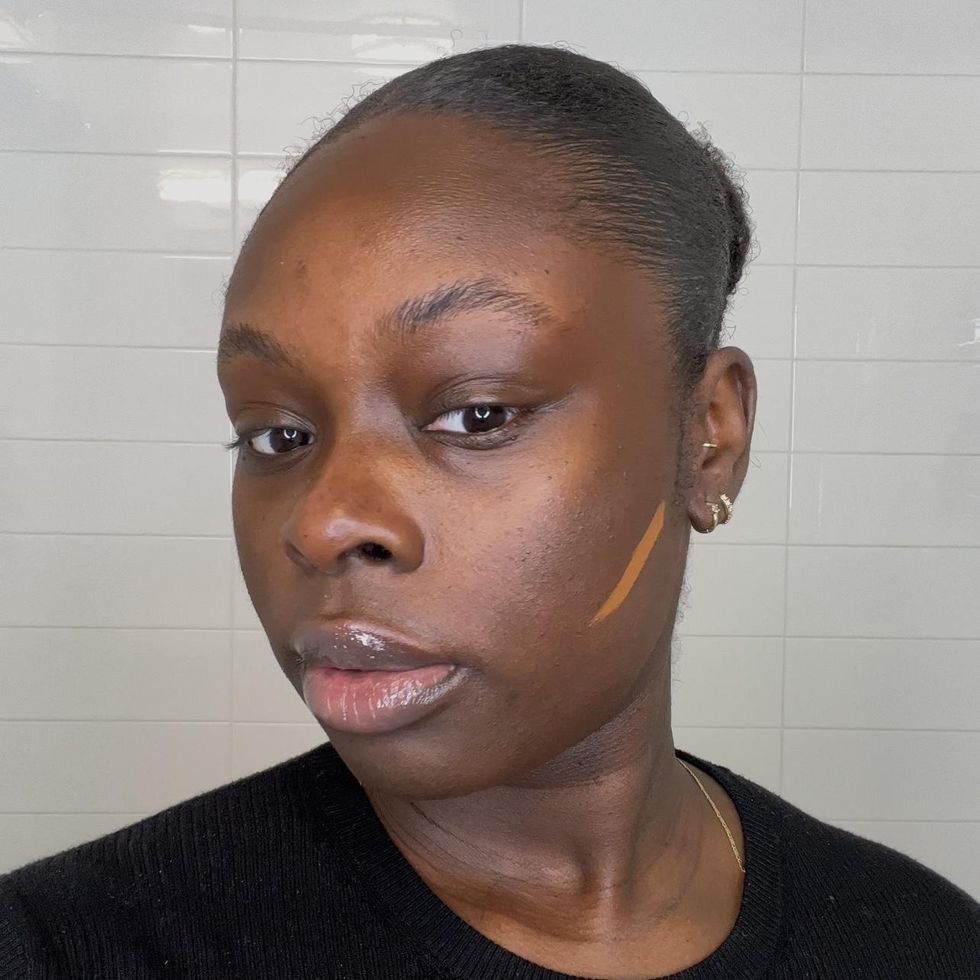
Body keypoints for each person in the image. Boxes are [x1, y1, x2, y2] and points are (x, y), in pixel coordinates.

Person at [1, 42, 977, 980]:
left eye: (477, 414)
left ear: (708, 434)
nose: (324, 524)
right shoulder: (60, 949)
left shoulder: (924, 943)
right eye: (277, 433)